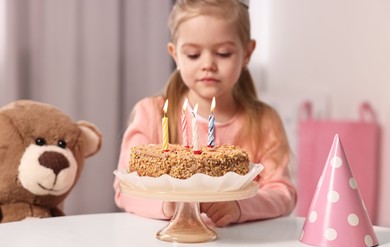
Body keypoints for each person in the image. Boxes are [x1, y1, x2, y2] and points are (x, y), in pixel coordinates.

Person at [114, 0, 296, 227]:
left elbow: (283, 192)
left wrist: (240, 207)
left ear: (247, 53)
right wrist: (169, 204)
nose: (208, 64)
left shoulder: (264, 122)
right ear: (175, 55)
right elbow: (125, 190)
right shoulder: (151, 114)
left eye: (223, 53)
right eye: (193, 54)